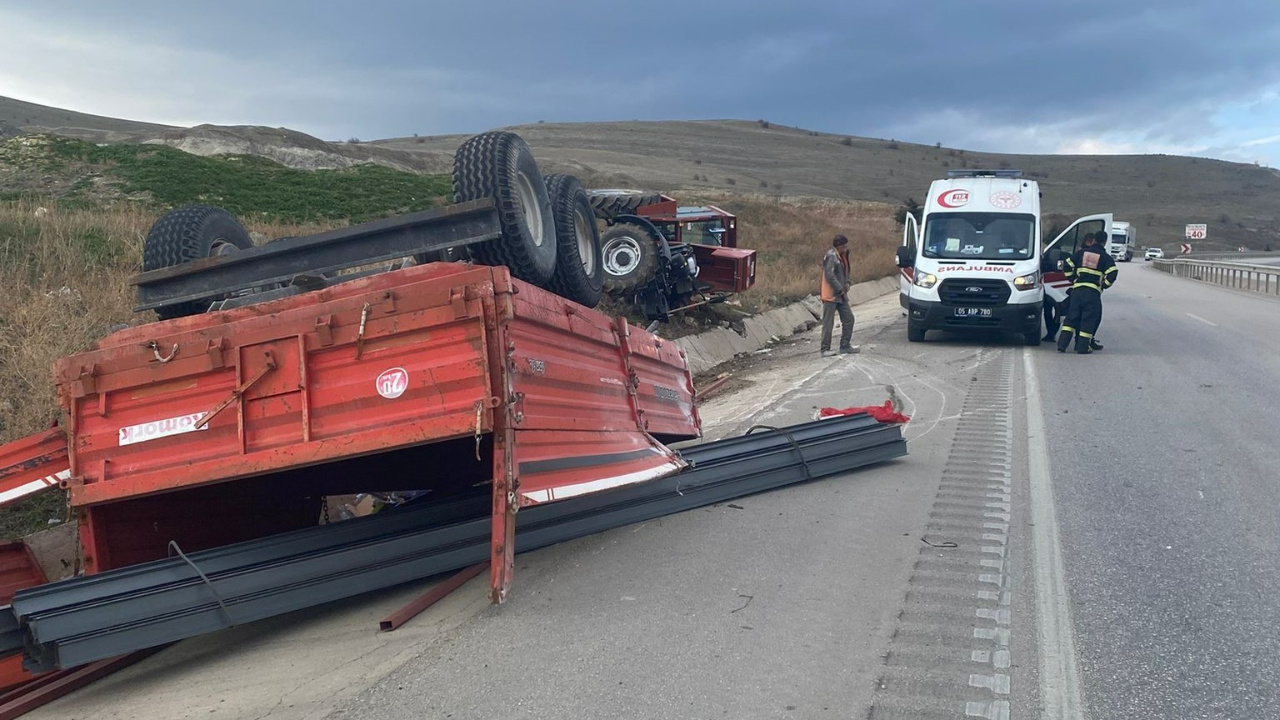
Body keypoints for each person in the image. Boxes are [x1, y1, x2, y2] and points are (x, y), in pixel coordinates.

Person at [1056, 231, 1117, 354]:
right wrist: (1104, 285)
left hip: (1077, 290)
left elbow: (1067, 264)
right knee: (1088, 319)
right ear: (1104, 242)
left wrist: (1072, 278)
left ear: (1094, 240)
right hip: (1092, 292)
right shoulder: (1105, 257)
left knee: (1071, 318)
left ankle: (1062, 345)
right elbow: (1113, 272)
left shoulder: (1081, 253)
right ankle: (1082, 347)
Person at [819, 235, 859, 356]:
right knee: (828, 323)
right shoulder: (832, 256)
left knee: (849, 319)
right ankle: (825, 349)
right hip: (831, 295)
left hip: (840, 295)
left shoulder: (841, 256)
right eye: (845, 245)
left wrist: (847, 283)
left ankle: (845, 345)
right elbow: (829, 275)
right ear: (840, 246)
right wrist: (840, 288)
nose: (847, 248)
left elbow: (845, 272)